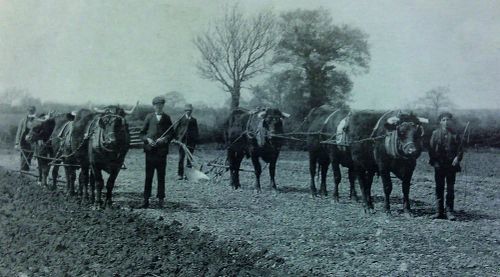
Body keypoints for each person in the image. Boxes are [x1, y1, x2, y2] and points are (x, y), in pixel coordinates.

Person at [140, 96, 174, 208]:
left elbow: (171, 133)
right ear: (153, 106)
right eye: (156, 105)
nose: (158, 107)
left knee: (161, 176)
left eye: (160, 105)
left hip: (161, 152)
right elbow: (142, 133)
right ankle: (145, 200)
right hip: (150, 152)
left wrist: (164, 139)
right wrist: (147, 140)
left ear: (163, 106)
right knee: (148, 176)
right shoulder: (149, 117)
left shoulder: (167, 118)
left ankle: (161, 200)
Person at [428, 112, 464, 220]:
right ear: (440, 122)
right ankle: (439, 212)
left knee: (450, 188)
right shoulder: (435, 133)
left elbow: (460, 149)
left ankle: (449, 212)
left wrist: (457, 158)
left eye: (448, 120)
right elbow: (431, 149)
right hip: (439, 165)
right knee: (439, 188)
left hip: (451, 166)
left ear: (451, 121)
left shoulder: (455, 134)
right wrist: (434, 161)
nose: (446, 122)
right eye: (443, 120)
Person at [175, 103, 199, 180]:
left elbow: (196, 131)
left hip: (191, 142)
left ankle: (187, 175)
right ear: (184, 111)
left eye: (189, 110)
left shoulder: (193, 120)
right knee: (181, 158)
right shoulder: (181, 119)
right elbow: (176, 129)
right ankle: (180, 174)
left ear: (191, 111)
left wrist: (195, 140)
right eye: (187, 110)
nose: (188, 112)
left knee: (189, 159)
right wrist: (176, 139)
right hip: (182, 142)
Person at [15, 106, 37, 171]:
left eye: (32, 111)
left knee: (29, 157)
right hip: (24, 142)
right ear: (28, 112)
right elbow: (19, 132)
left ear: (34, 111)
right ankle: (23, 170)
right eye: (29, 111)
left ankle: (26, 170)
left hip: (32, 143)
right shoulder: (23, 121)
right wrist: (16, 143)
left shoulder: (36, 120)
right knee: (23, 158)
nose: (30, 112)